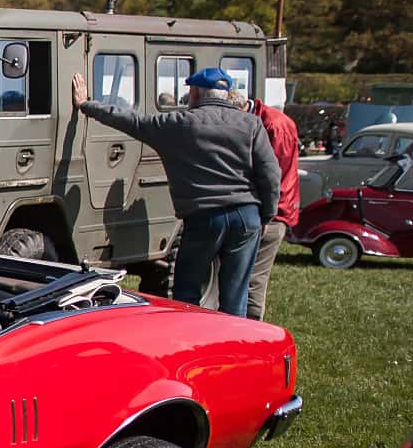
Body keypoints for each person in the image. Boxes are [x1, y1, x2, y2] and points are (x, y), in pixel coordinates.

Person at [72, 67, 277, 316]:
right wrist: (267, 214)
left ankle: (190, 343)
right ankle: (234, 349)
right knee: (236, 294)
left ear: (195, 92)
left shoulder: (178, 124)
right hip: (247, 215)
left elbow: (132, 121)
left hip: (204, 217)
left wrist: (86, 105)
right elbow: (270, 173)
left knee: (187, 292)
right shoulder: (252, 124)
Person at [203, 90, 300, 321]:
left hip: (270, 214)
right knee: (229, 277)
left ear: (239, 110)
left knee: (252, 280)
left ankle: (251, 332)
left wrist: (267, 214)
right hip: (248, 209)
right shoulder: (255, 122)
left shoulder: (275, 126)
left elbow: (275, 176)